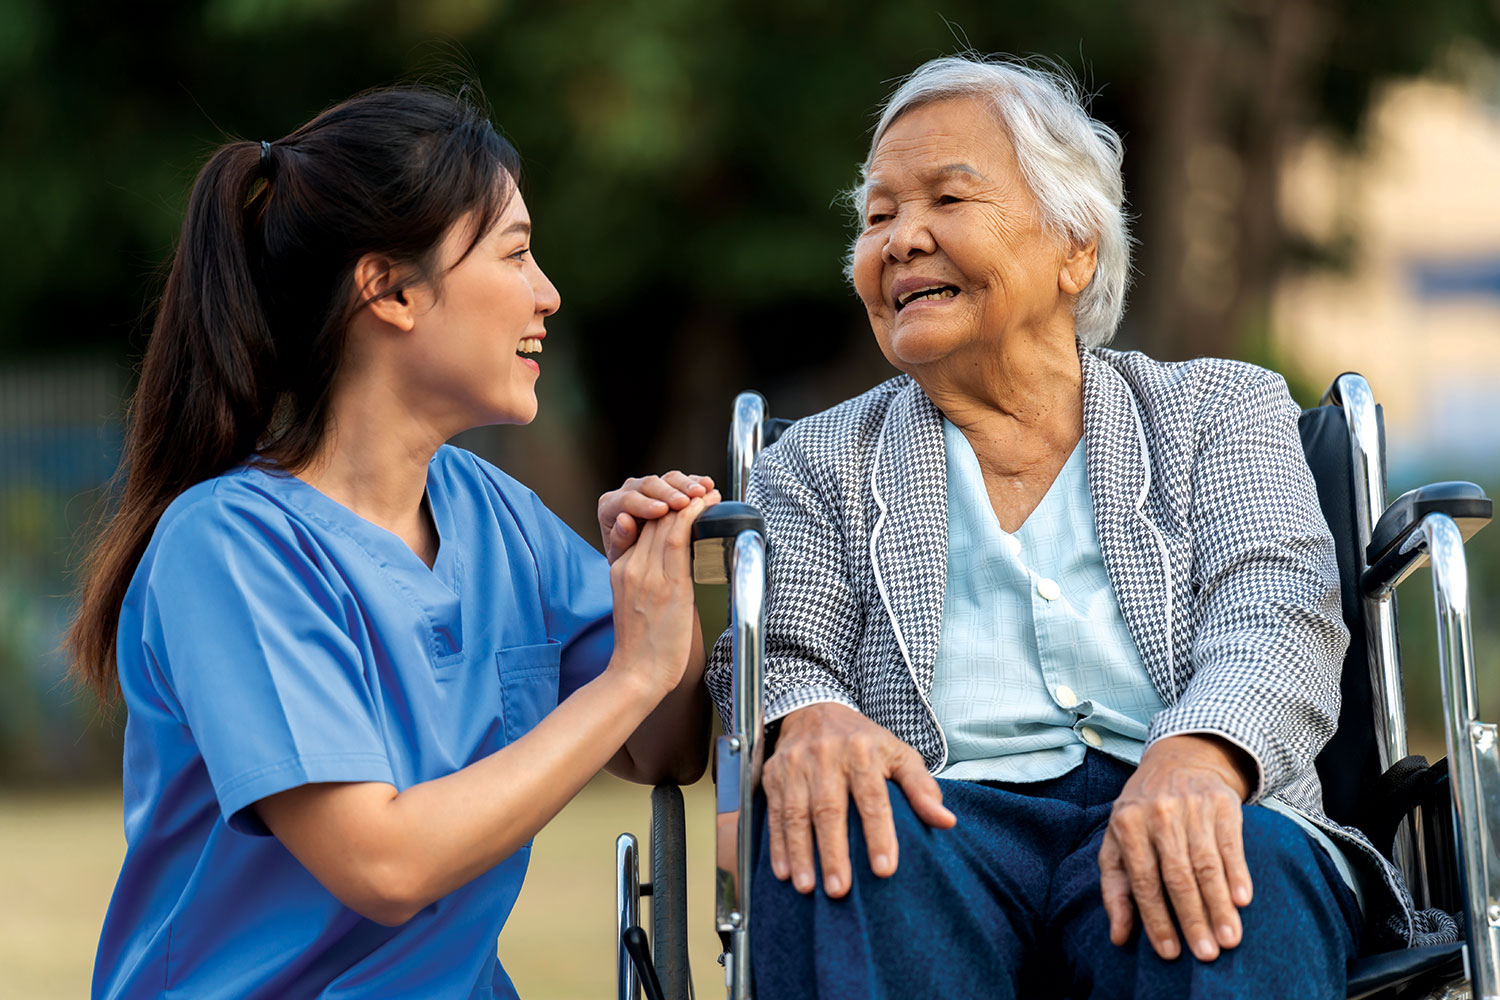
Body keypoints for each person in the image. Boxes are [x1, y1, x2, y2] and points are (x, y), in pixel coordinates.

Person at [706, 55, 1454, 999]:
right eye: (878, 216)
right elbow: (773, 651)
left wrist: (1202, 755)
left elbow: (1278, 612)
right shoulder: (816, 462)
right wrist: (809, 717)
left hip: (1189, 781)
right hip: (941, 823)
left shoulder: (1217, 411)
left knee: (1230, 869)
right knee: (839, 847)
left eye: (947, 198)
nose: (900, 240)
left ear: (1077, 249)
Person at [69, 85, 717, 999]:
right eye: (518, 254)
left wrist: (650, 591)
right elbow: (383, 866)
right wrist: (632, 674)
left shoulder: (497, 516)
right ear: (392, 289)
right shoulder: (228, 548)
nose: (548, 292)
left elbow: (666, 748)